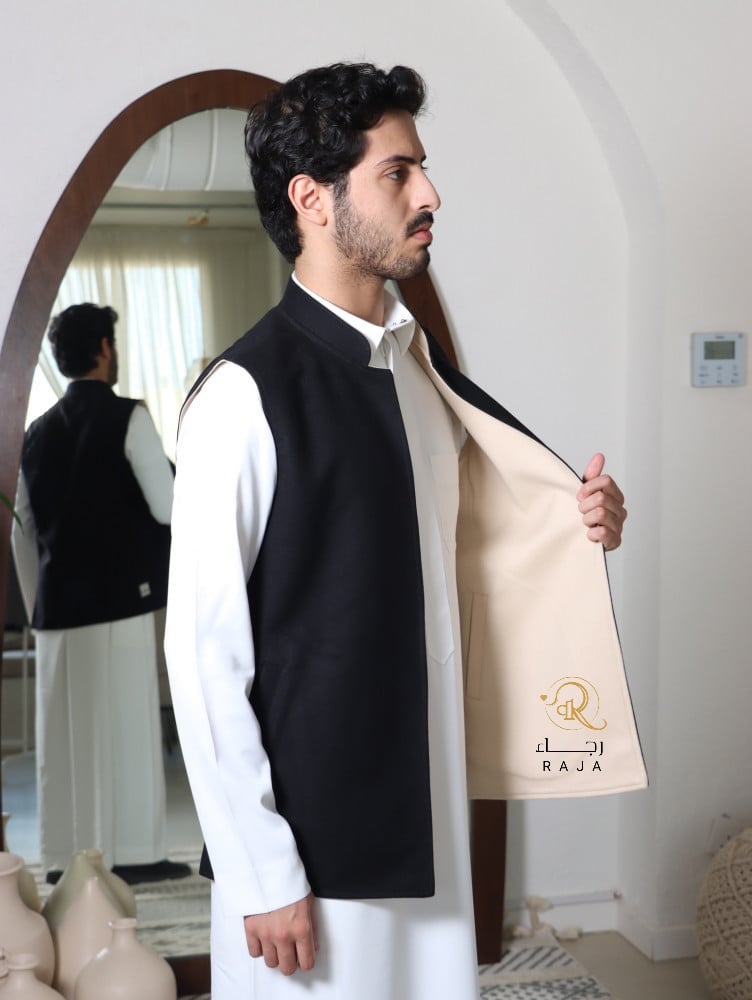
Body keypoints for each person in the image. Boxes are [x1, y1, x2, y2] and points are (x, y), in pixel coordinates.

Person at [164, 63, 644, 999]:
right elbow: (202, 653)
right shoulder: (241, 396)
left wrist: (578, 519)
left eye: (421, 168)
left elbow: (461, 553)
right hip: (311, 846)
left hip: (429, 805)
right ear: (312, 199)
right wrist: (262, 871)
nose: (430, 194)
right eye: (397, 173)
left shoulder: (421, 377)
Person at [12, 303, 191, 885]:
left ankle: (63, 859)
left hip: (56, 611)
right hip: (121, 600)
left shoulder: (35, 433)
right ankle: (137, 855)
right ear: (105, 349)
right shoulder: (128, 417)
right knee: (128, 729)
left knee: (63, 741)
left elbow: (22, 532)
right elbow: (169, 507)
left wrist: (39, 605)